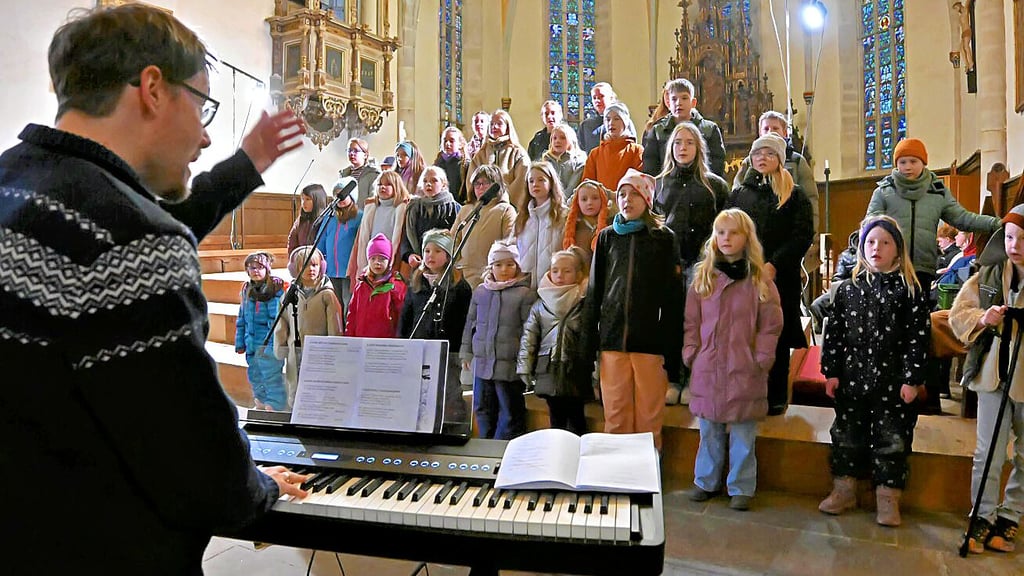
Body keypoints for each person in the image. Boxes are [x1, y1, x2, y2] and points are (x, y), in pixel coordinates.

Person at [0, 5, 309, 573]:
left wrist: (247, 165)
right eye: (203, 105)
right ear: (153, 89)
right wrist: (258, 486)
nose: (205, 134)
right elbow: (204, 472)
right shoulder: (133, 242)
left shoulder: (15, 185)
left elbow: (123, 228)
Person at [819, 215, 929, 528]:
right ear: (861, 247)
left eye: (884, 242)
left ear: (898, 250)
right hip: (852, 379)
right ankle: (844, 490)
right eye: (870, 242)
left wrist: (912, 379)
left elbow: (918, 338)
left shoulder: (909, 290)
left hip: (893, 384)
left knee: (892, 441)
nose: (876, 248)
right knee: (846, 436)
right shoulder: (847, 289)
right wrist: (831, 372)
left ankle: (888, 497)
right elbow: (834, 335)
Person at [684, 209, 783, 511]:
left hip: (744, 367)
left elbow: (770, 323)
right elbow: (691, 321)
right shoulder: (703, 277)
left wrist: (762, 356)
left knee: (743, 433)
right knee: (709, 431)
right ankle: (706, 480)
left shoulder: (759, 279)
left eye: (733, 232)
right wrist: (692, 351)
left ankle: (741, 485)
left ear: (746, 238)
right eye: (721, 232)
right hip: (709, 366)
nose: (726, 238)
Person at [581, 169, 684, 449]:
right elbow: (595, 294)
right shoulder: (606, 238)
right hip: (613, 342)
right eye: (622, 194)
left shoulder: (663, 238)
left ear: (647, 199)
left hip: (650, 345)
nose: (627, 200)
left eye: (634, 194)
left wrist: (672, 352)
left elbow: (674, 299)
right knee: (616, 416)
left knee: (649, 418)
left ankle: (648, 469)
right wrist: (589, 345)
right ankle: (618, 469)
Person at [950, 204, 1024, 553]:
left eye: (1022, 239)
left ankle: (1011, 515)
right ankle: (981, 515)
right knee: (988, 451)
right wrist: (983, 318)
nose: (1015, 246)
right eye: (1009, 238)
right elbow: (958, 314)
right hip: (993, 372)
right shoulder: (990, 274)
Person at [728, 133, 814, 415]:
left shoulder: (795, 195)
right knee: (745, 334)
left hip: (780, 277)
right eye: (757, 153)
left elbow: (802, 234)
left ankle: (776, 395)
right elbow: (726, 231)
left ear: (779, 159)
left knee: (776, 334)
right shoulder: (739, 194)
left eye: (769, 153)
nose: (762, 158)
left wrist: (775, 264)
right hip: (744, 276)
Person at [654, 122, 730, 406]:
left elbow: (724, 226)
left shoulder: (715, 185)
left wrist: (709, 258)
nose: (682, 148)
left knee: (699, 324)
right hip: (669, 264)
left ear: (699, 148)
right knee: (671, 323)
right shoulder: (659, 184)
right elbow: (656, 224)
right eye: (677, 142)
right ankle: (674, 378)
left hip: (703, 264)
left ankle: (695, 378)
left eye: (689, 142)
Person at [865, 137, 999, 290]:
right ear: (896, 164)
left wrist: (996, 223)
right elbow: (870, 226)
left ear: (923, 162)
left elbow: (963, 218)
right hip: (890, 267)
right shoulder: (883, 192)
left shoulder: (938, 192)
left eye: (913, 161)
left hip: (923, 268)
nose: (908, 167)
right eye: (902, 162)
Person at [461, 240, 536, 439]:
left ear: (517, 266)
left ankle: (502, 447)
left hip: (509, 365)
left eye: (510, 264)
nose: (504, 269)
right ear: (490, 266)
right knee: (482, 407)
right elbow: (470, 323)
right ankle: (486, 444)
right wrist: (466, 352)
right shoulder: (480, 291)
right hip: (482, 362)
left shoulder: (524, 294)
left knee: (509, 410)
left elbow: (529, 331)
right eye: (498, 264)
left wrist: (527, 361)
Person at [519, 246, 594, 435]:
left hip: (576, 369)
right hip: (548, 369)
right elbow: (529, 338)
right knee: (556, 419)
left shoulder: (585, 302)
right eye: (555, 270)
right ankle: (556, 450)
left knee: (577, 418)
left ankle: (577, 450)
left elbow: (593, 338)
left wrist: (597, 372)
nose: (560, 275)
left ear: (578, 275)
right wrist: (525, 367)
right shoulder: (540, 305)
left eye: (567, 271)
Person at [398, 229, 472, 418]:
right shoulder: (416, 283)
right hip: (419, 349)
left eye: (438, 251)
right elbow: (406, 318)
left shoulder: (460, 287)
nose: (431, 255)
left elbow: (466, 321)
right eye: (427, 251)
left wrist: (463, 351)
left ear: (448, 255)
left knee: (449, 394)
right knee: (420, 394)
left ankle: (450, 425)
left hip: (448, 352)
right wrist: (402, 344)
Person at [275, 245, 344, 405]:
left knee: (318, 389)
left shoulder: (327, 295)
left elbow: (335, 326)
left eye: (314, 265)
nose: (311, 269)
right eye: (305, 265)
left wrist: (335, 349)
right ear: (295, 269)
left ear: (321, 267)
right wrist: (280, 346)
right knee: (295, 387)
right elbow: (282, 323)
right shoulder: (289, 295)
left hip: (319, 353)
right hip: (295, 351)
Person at [732, 111, 819, 234]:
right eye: (766, 129)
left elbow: (811, 198)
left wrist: (812, 233)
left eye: (775, 128)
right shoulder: (749, 162)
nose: (770, 132)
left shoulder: (797, 161)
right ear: (760, 133)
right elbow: (737, 195)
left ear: (784, 133)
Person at [235, 251, 288, 411]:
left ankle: (275, 403)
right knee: (255, 374)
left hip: (268, 343)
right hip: (251, 343)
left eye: (260, 267)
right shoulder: (247, 290)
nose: (256, 271)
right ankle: (260, 399)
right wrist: (240, 342)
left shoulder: (275, 290)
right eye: (252, 268)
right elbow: (242, 318)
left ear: (267, 269)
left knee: (271, 375)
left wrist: (272, 344)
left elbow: (276, 321)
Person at [642, 78, 726, 178]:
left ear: (693, 103)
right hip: (667, 184)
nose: (678, 103)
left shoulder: (710, 130)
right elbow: (650, 165)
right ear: (668, 103)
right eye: (674, 99)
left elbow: (717, 164)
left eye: (684, 98)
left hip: (701, 183)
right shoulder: (657, 131)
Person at [451, 164, 517, 288]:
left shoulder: (506, 210)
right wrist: (458, 263)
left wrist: (494, 269)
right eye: (477, 184)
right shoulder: (466, 210)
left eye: (486, 183)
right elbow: (453, 239)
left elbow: (509, 243)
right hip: (463, 274)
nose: (481, 187)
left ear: (496, 185)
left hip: (490, 276)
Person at [347, 170, 411, 281]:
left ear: (397, 186)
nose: (382, 187)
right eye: (379, 184)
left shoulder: (403, 208)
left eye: (388, 184)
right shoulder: (370, 207)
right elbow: (361, 240)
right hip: (371, 261)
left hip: (391, 261)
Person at [516, 162, 568, 290]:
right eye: (531, 181)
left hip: (552, 285)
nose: (535, 184)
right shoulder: (522, 217)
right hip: (524, 287)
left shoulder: (564, 215)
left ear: (551, 183)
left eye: (541, 180)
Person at [316, 178, 363, 318]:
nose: (340, 198)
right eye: (337, 195)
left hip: (349, 270)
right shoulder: (330, 217)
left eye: (344, 194)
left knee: (348, 304)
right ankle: (337, 329)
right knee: (335, 305)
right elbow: (321, 241)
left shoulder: (360, 217)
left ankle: (347, 330)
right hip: (331, 270)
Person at [346, 233, 407, 339]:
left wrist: (399, 341)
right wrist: (349, 338)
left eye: (382, 259)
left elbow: (401, 317)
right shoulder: (361, 286)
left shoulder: (396, 286)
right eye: (373, 258)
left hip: (385, 342)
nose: (377, 263)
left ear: (389, 261)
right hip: (361, 340)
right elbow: (352, 315)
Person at [401, 165, 462, 271]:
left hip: (445, 267)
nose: (428, 184)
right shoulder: (415, 207)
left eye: (434, 181)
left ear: (443, 184)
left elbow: (457, 239)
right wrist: (409, 255)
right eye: (425, 181)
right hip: (420, 266)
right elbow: (406, 237)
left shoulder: (453, 208)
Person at [468, 109, 530, 208]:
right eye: (492, 124)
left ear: (507, 127)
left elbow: (522, 181)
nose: (494, 127)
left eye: (499, 123)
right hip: (483, 207)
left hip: (510, 206)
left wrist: (505, 202)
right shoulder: (481, 154)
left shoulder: (517, 153)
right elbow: (471, 181)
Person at [581, 102, 644, 193]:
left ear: (625, 122)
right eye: (607, 119)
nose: (611, 123)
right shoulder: (595, 153)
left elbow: (638, 182)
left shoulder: (636, 151)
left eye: (616, 119)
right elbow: (587, 185)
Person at [562, 179, 611, 263]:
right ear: (577, 202)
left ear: (603, 199)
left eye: (595, 198)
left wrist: (609, 193)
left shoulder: (611, 224)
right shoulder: (572, 227)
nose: (589, 203)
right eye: (584, 199)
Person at [542, 122, 587, 197]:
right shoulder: (546, 159)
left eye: (563, 138)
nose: (557, 141)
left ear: (571, 140)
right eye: (554, 138)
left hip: (570, 200)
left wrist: (561, 201)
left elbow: (573, 186)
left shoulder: (579, 160)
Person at [286, 183, 328, 256]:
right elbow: (292, 244)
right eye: (302, 199)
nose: (303, 203)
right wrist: (295, 258)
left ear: (318, 201)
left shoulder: (326, 220)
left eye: (308, 199)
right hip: (300, 259)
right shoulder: (300, 220)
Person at [577, 82, 617, 154]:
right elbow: (581, 149)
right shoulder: (586, 125)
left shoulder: (622, 122)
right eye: (594, 98)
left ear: (611, 98)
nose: (597, 100)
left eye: (601, 96)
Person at [340, 137, 381, 207]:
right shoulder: (343, 174)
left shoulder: (373, 174)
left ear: (365, 155)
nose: (351, 153)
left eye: (355, 151)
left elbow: (373, 199)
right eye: (349, 150)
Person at [435, 125, 471, 203]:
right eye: (445, 141)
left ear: (460, 144)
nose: (447, 144)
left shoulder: (464, 164)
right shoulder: (438, 163)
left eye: (452, 141)